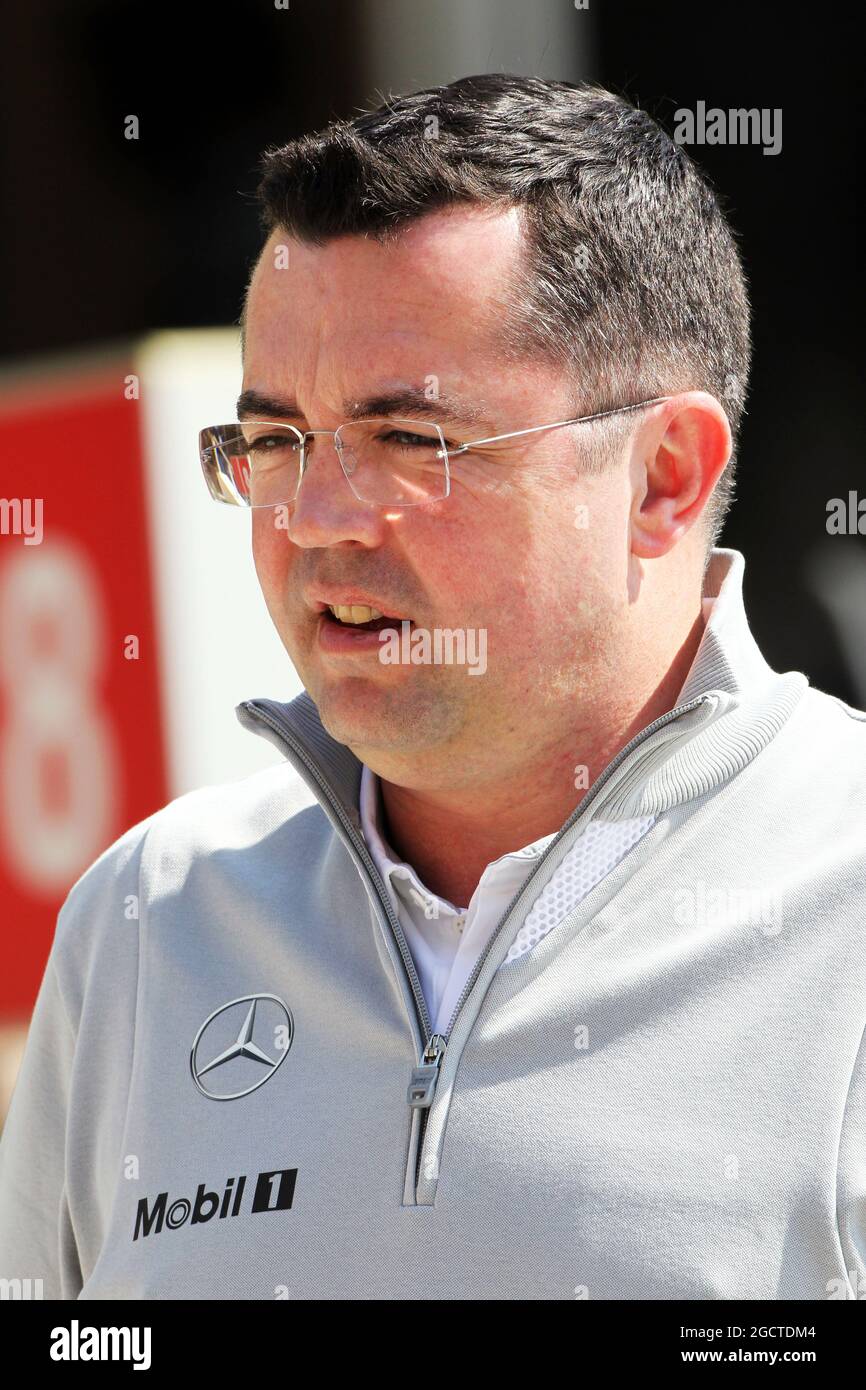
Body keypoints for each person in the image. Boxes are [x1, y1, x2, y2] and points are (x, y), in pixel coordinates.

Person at [1, 73, 864, 1301]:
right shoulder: (149, 917)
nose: (311, 520)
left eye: (409, 440)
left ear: (663, 476)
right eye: (270, 442)